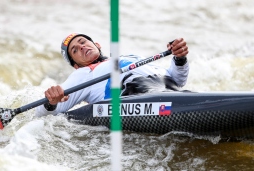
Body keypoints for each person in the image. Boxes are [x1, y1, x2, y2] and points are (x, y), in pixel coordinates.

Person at [35, 33, 189, 117]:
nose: (81, 47)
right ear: (76, 65)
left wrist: (179, 58)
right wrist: (51, 102)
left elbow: (177, 80)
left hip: (173, 94)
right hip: (143, 102)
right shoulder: (83, 74)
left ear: (97, 45)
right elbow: (44, 114)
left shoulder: (132, 58)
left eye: (83, 42)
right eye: (74, 50)